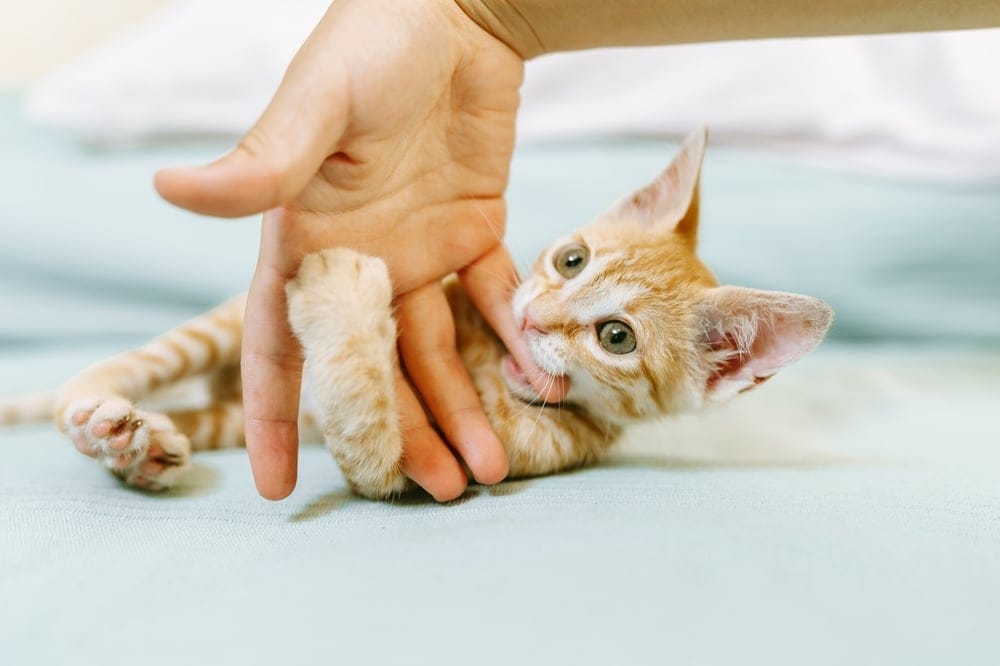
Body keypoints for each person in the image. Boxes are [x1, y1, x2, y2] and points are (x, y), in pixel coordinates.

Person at [153, 0, 999, 502]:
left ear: (722, 369)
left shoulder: (578, 423)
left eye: (616, 337)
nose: (541, 310)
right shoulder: (550, 280)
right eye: (568, 263)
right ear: (625, 211)